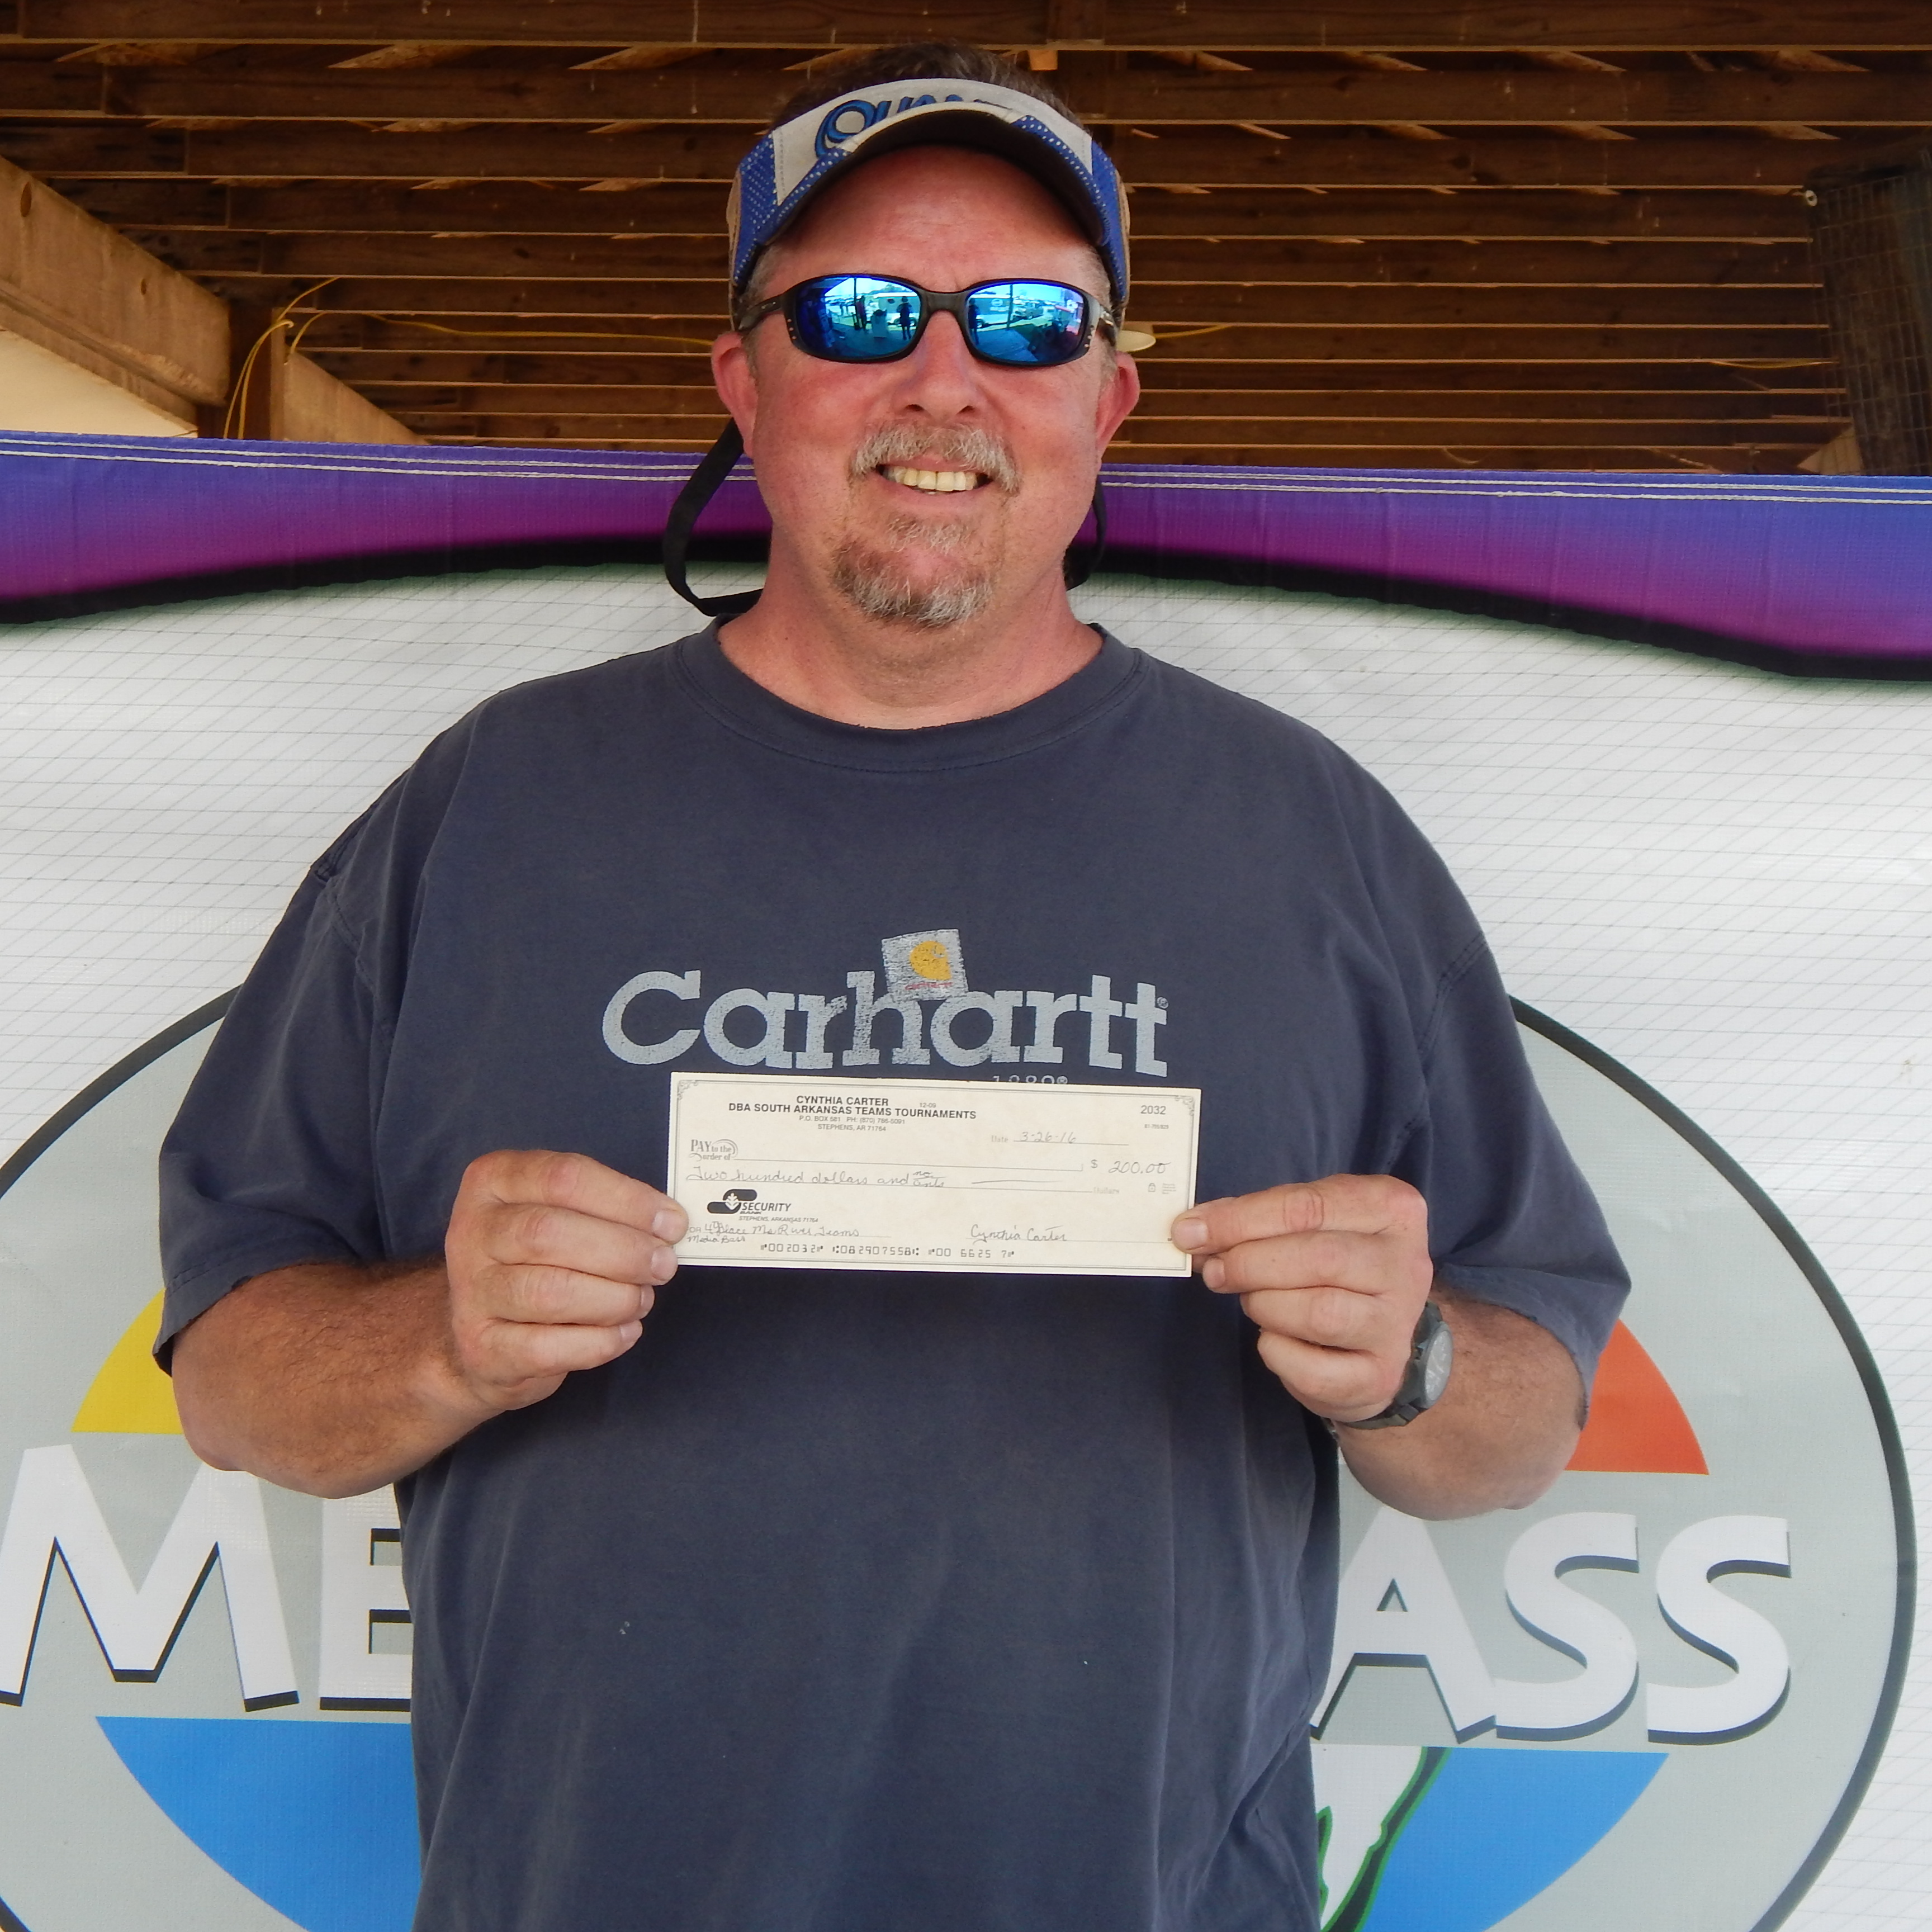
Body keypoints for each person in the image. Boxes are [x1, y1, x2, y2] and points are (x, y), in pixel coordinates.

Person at [160, 42, 1626, 1932]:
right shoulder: (493, 807)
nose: (946, 380)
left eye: (1028, 322)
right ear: (741, 380)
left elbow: (1525, 1422)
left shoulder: (1312, 837)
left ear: (1107, 396)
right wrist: (441, 1337)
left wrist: (1407, 1357)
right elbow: (234, 1380)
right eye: (860, 313)